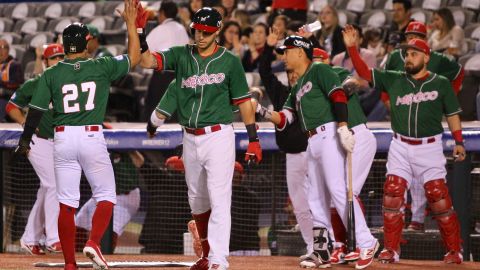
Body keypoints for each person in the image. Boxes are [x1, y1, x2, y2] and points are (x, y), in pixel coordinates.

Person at [11, 1, 141, 269]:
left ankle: (70, 263)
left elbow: (34, 110)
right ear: (85, 44)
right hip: (91, 136)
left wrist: (25, 140)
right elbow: (135, 57)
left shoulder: (52, 72)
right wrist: (131, 25)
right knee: (106, 195)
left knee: (66, 203)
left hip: (62, 138)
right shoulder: (101, 65)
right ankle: (93, 243)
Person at [137, 6, 262, 270]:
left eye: (206, 31)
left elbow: (244, 103)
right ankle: (206, 253)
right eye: (197, 31)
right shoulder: (182, 54)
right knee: (197, 199)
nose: (201, 36)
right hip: (190, 137)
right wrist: (140, 31)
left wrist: (253, 139)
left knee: (219, 197)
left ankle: (219, 259)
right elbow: (147, 61)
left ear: (217, 31)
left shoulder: (230, 61)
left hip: (218, 136)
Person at [343, 24, 465, 264]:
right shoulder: (395, 79)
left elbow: (452, 115)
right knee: (392, 195)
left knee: (439, 199)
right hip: (400, 145)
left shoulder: (440, 83)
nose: (408, 58)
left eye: (413, 54)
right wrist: (352, 48)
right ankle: (391, 249)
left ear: (426, 57)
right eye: (406, 54)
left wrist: (459, 141)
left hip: (429, 147)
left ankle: (454, 250)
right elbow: (364, 72)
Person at [254, 35, 379, 269]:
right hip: (312, 140)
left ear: (300, 52)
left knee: (338, 191)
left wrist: (343, 127)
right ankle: (322, 250)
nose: (284, 56)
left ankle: (367, 241)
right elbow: (284, 119)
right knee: (315, 198)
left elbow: (338, 95)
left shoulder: (320, 70)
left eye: (287, 51)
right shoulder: (298, 86)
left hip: (329, 132)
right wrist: (260, 110)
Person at [383, 21, 465, 231]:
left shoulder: (436, 59)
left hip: (426, 130)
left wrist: (448, 99)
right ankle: (396, 230)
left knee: (430, 187)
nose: (411, 38)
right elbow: (384, 80)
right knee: (395, 186)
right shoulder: (395, 57)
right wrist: (387, 101)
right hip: (402, 121)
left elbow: (458, 72)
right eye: (409, 35)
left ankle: (418, 220)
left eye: (416, 35)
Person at [310, 48, 378, 266]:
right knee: (335, 192)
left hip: (358, 134)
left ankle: (361, 243)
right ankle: (340, 245)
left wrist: (344, 90)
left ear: (327, 61)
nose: (316, 64)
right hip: (338, 139)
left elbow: (354, 82)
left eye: (320, 60)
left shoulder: (335, 72)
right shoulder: (310, 85)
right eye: (313, 60)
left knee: (348, 192)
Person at [256, 28, 312, 261]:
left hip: (314, 153)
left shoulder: (312, 88)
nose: (292, 76)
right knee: (299, 206)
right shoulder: (282, 94)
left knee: (319, 202)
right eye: (288, 74)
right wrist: (268, 47)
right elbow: (264, 71)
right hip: (292, 156)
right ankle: (312, 246)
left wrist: (309, 42)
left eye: (294, 73)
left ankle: (333, 242)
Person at [6, 44, 65, 255]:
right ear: (46, 62)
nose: (58, 61)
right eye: (54, 58)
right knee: (53, 185)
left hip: (59, 141)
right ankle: (53, 238)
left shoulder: (68, 84)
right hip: (37, 140)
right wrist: (24, 122)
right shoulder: (36, 83)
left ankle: (30, 238)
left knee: (46, 189)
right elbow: (11, 106)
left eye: (61, 57)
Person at [75, 151, 143, 251]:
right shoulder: (97, 147)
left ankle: (105, 257)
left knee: (111, 231)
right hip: (103, 194)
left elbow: (140, 161)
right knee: (79, 222)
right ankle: (77, 255)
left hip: (125, 198)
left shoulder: (125, 151)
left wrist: (128, 147)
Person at [0, 38, 24, 122]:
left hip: (7, 97)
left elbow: (18, 84)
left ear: (8, 50)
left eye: (3, 47)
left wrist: (2, 89)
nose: (0, 51)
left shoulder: (14, 65)